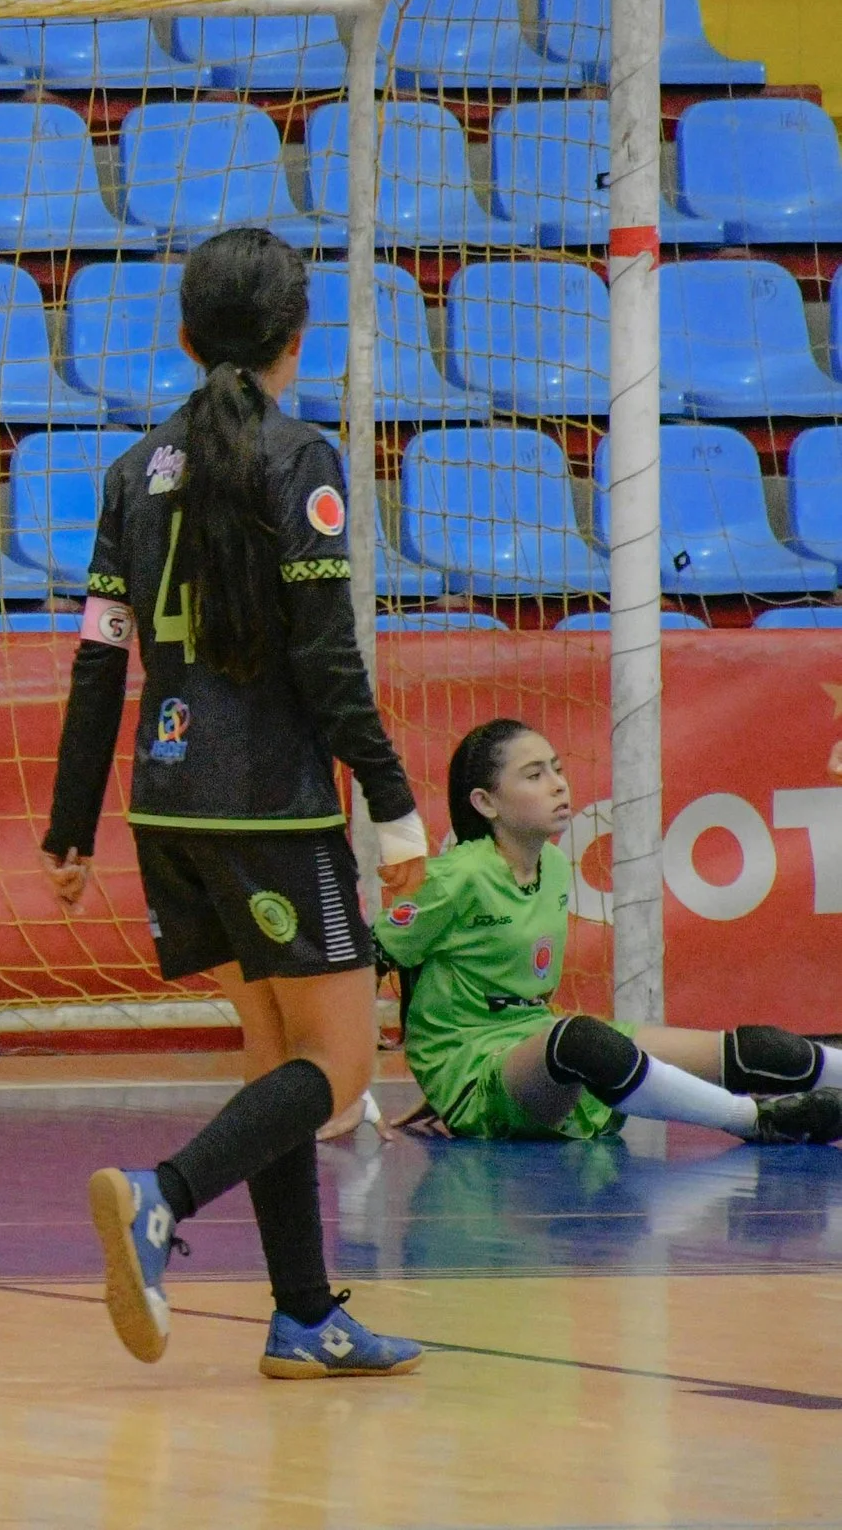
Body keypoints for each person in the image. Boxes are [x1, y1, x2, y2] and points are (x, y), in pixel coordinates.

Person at [43, 227, 429, 1380]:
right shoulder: (298, 456)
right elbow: (328, 662)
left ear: (182, 333)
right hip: (268, 805)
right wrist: (400, 807)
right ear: (293, 338)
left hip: (166, 806)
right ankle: (161, 1199)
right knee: (344, 1071)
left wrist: (69, 825)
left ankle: (304, 1314)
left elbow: (98, 664)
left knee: (275, 1065)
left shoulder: (130, 472)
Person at [379, 717, 842, 1146]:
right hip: (475, 1069)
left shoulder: (554, 866)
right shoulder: (454, 877)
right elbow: (369, 957)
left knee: (750, 1049)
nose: (559, 784)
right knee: (579, 1038)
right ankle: (754, 1121)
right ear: (486, 802)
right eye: (534, 775)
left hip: (531, 1044)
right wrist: (361, 1083)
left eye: (558, 769)